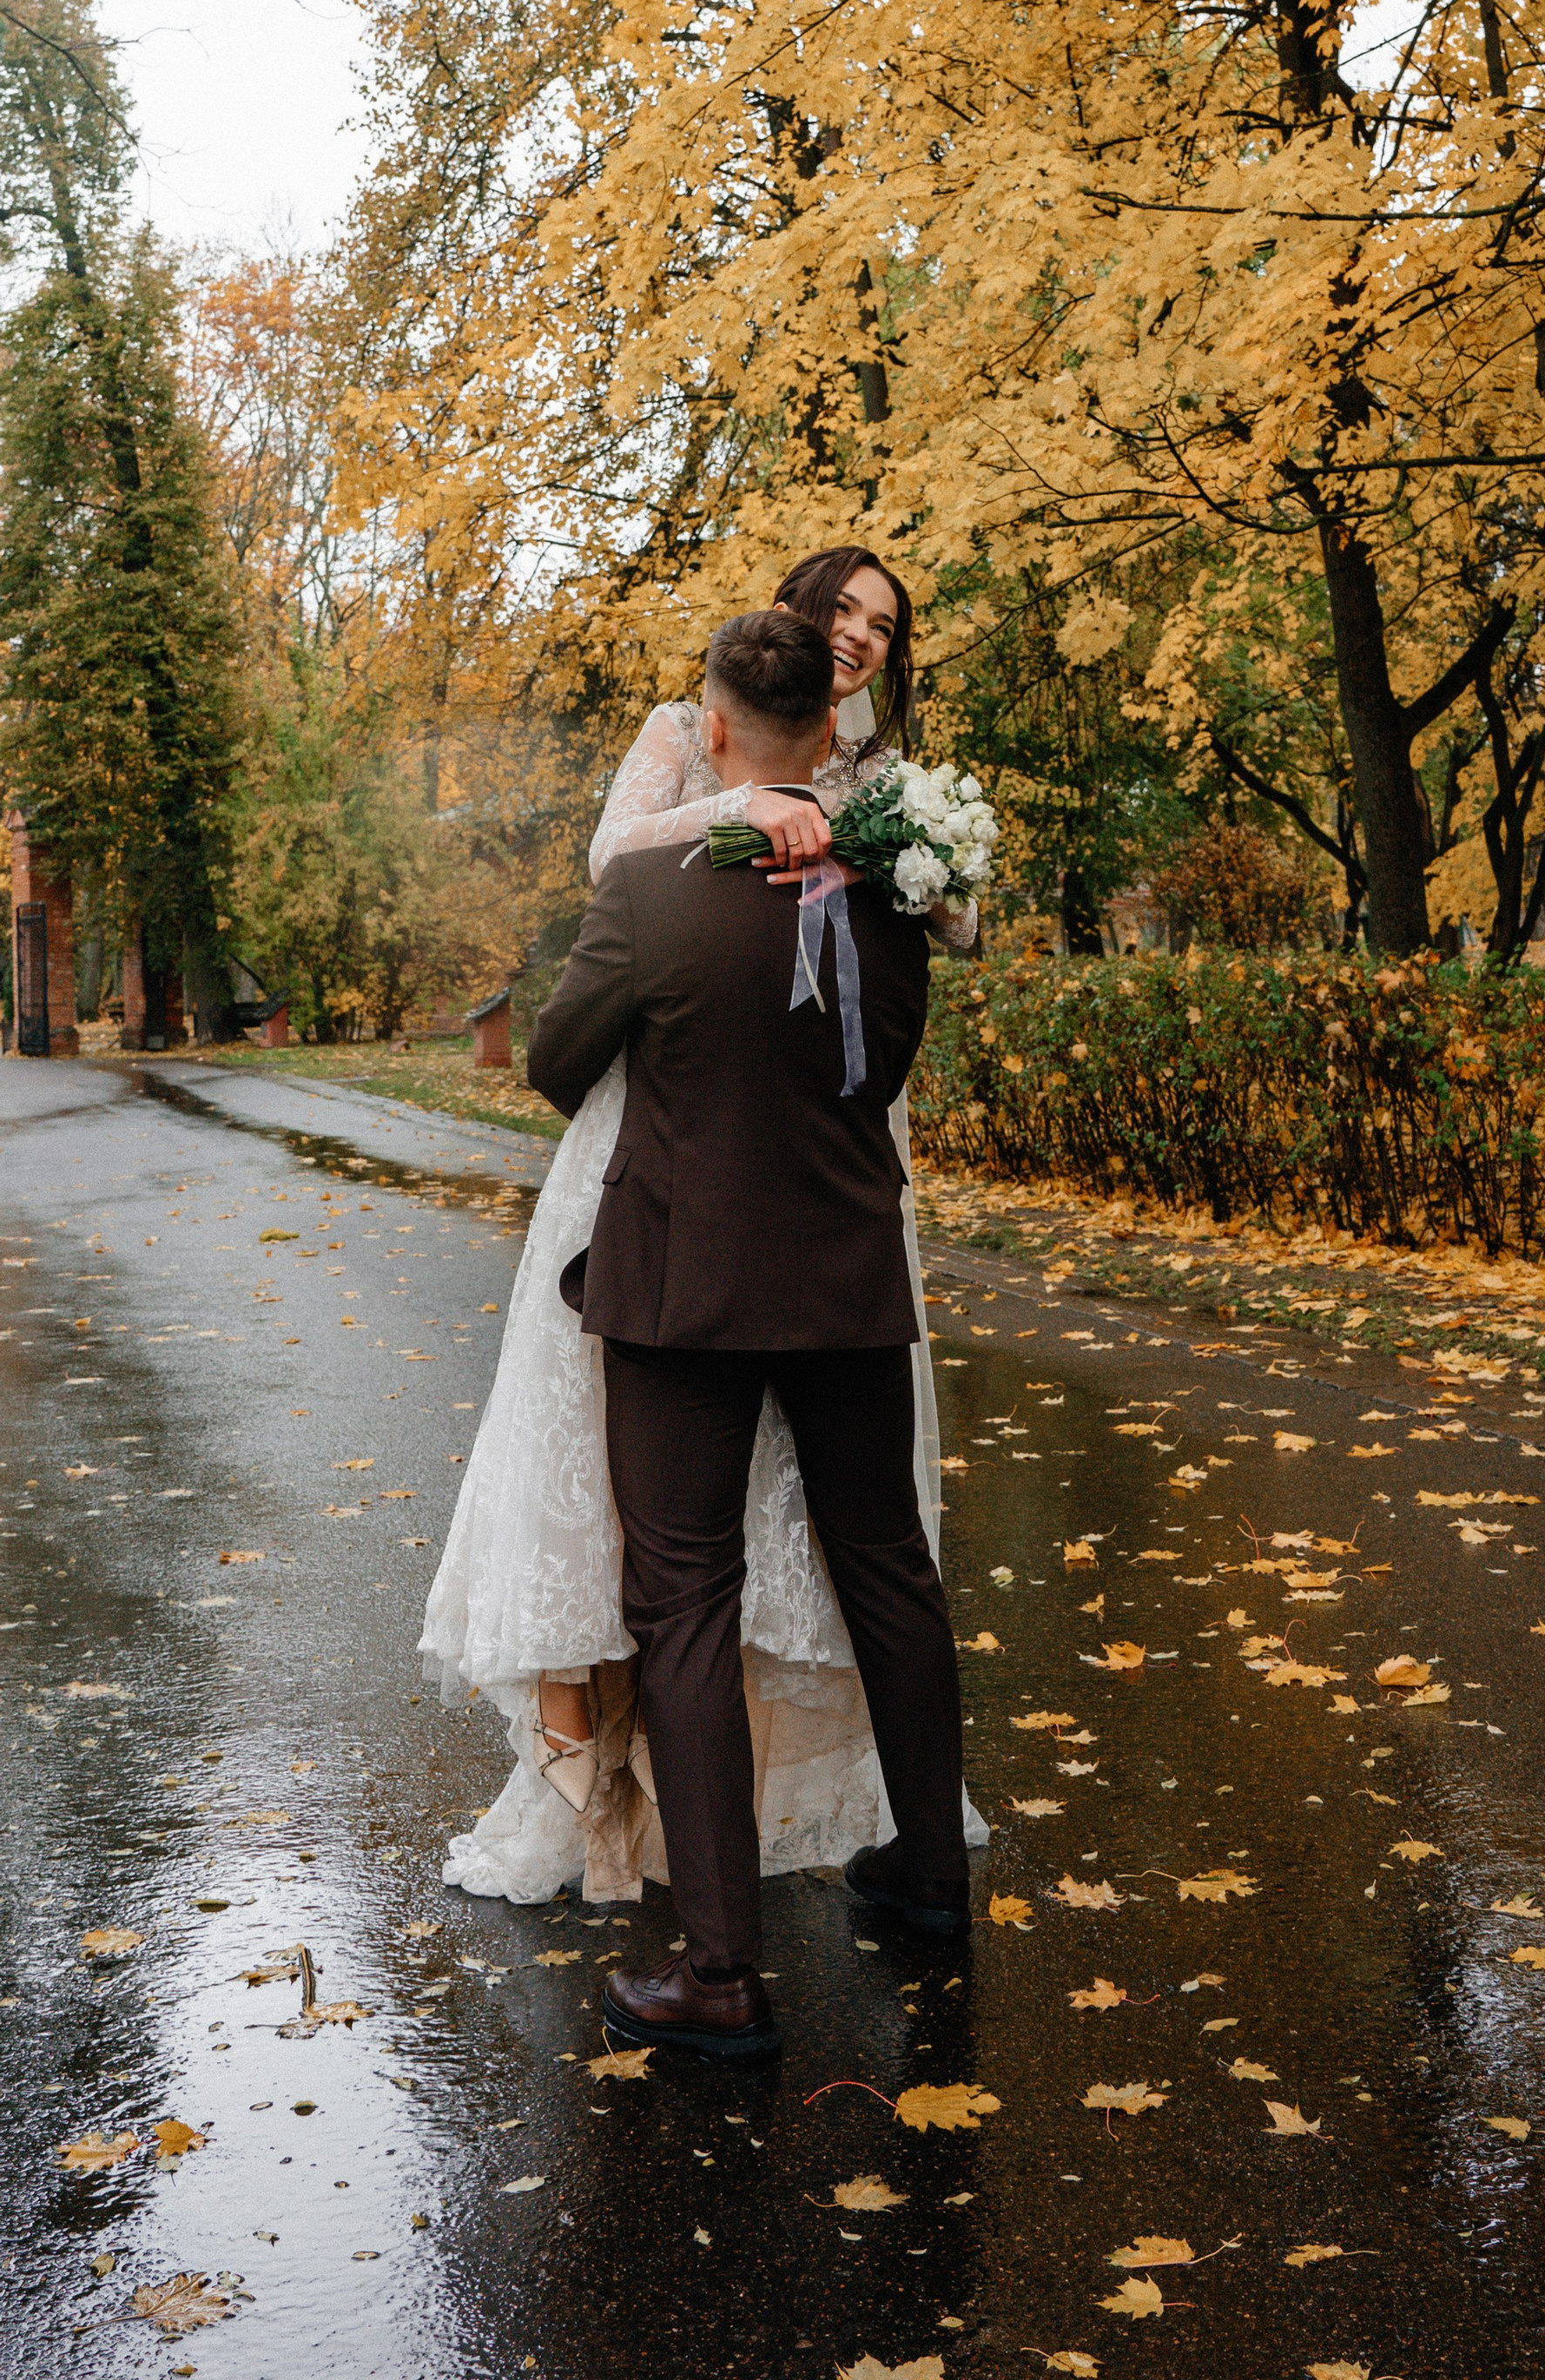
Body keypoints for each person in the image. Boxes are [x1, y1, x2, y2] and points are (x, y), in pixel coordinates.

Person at [418, 546, 980, 1908]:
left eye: (882, 628)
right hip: (731, 1161)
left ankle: (727, 1933)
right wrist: (766, 811)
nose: (859, 639)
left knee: (715, 1565)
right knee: (807, 1543)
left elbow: (941, 933)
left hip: (752, 1185)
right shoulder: (684, 738)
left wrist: (848, 832)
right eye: (841, 611)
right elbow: (620, 851)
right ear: (789, 623)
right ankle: (702, 1818)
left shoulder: (888, 803)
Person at [529, 607, 968, 2057]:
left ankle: (718, 1973)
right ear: (828, 742)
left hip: (684, 1292)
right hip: (843, 1281)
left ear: (712, 736)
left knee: (687, 1600)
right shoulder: (900, 887)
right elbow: (883, 1063)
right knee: (890, 1570)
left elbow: (553, 1062)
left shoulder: (652, 892)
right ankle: (930, 1884)